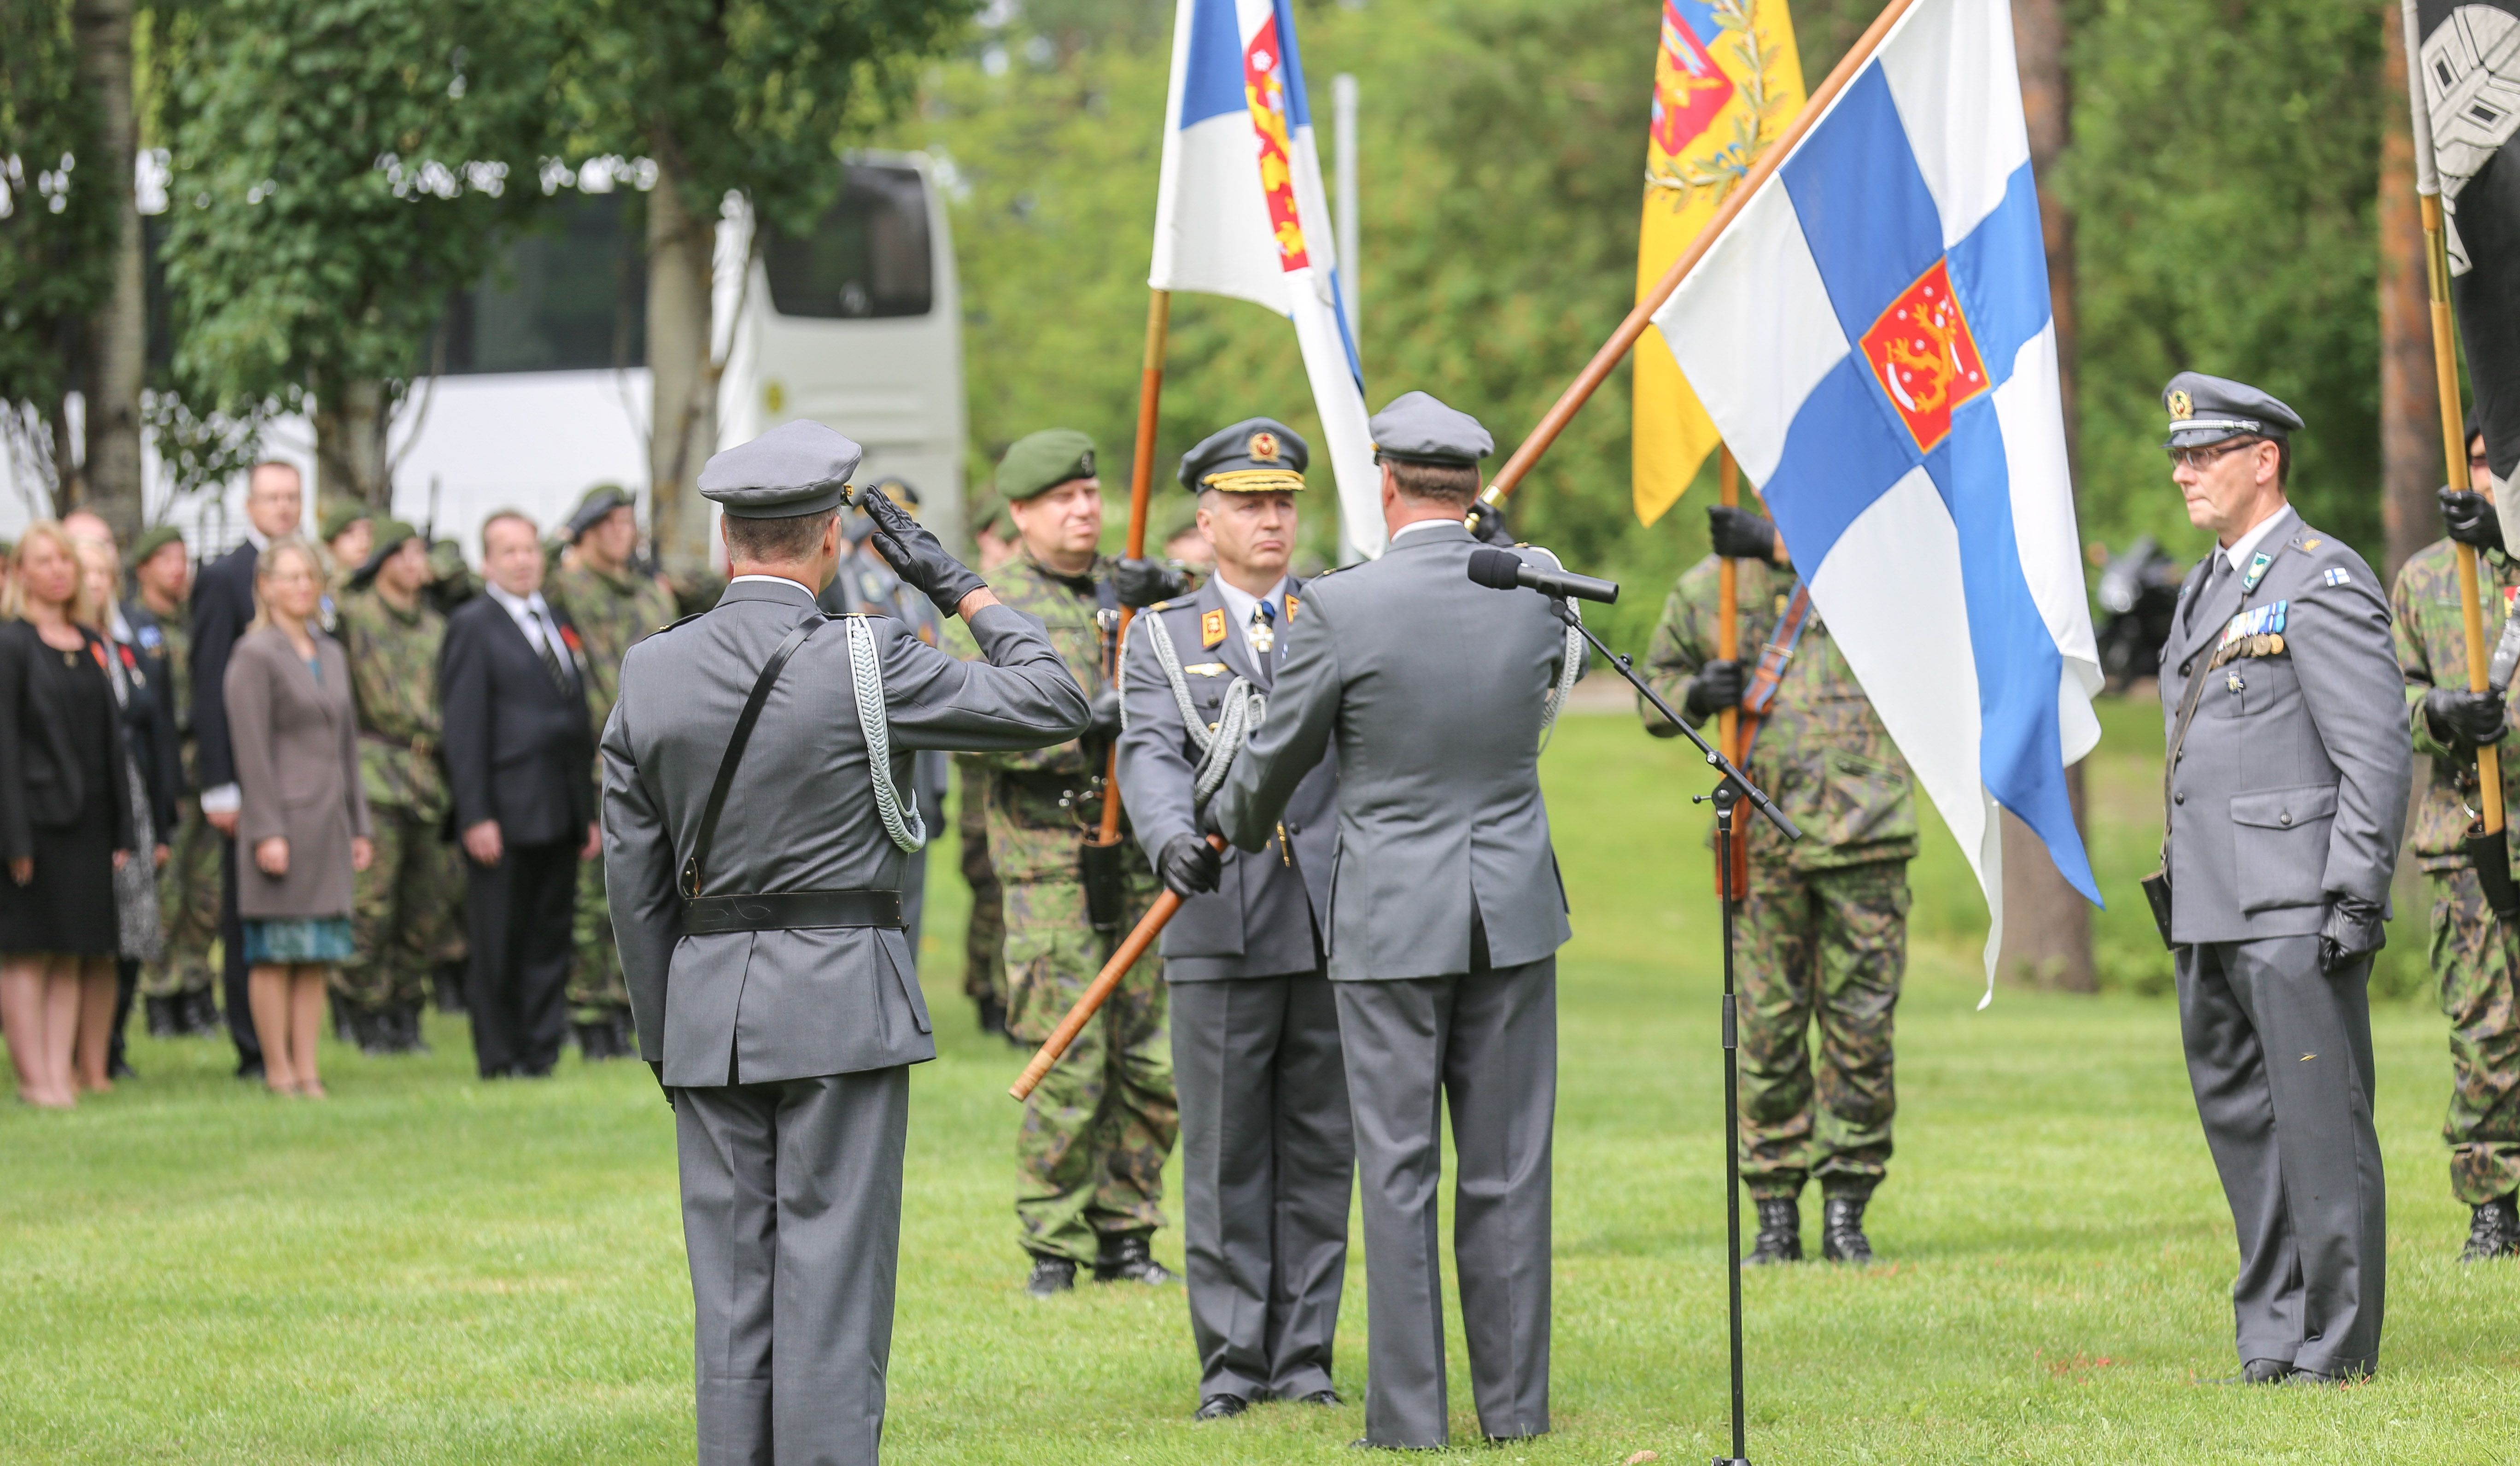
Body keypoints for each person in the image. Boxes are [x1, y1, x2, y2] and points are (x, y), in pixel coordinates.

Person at [605, 418, 1088, 1465]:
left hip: (708, 1013)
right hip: (838, 1006)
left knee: (733, 1290)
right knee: (831, 1282)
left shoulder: (649, 669)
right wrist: (959, 584)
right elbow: (1056, 697)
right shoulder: (868, 659)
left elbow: (632, 885)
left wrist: (666, 1033)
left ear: (730, 538)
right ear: (832, 539)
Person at [1207, 391, 1576, 1450]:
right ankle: (1512, 1409)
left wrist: (1226, 809)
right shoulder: (1537, 589)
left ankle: (1411, 1418)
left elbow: (1268, 770)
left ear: (1384, 481)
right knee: (1506, 1169)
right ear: (1474, 487)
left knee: (1399, 1173)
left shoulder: (1339, 607)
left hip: (1386, 917)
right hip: (1507, 907)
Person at [2153, 372, 2411, 1383]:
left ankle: (2336, 1340)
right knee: (2244, 1133)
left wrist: (2351, 893)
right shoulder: (2204, 586)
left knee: (2317, 1128)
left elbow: (2374, 754)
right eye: (2178, 455)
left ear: (2262, 460)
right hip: (2209, 904)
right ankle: (2270, 1333)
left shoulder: (2321, 579)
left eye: (2202, 453)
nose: (2183, 471)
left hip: (2294, 903)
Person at [1114, 418, 1351, 1419]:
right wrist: (1165, 834)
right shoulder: (1161, 638)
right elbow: (1148, 753)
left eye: (1283, 502)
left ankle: (1303, 1359)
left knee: (1318, 1151)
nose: (1269, 519)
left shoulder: (1341, 616)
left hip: (1332, 922)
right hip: (1218, 920)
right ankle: (1229, 1365)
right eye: (1248, 503)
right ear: (1203, 518)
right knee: (1220, 1156)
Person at [1636, 501, 1916, 1265]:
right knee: (1766, 1031)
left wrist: (1786, 546)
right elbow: (1650, 691)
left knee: (1863, 1032)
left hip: (1866, 832)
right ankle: (1773, 1211)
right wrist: (1698, 694)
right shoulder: (1710, 589)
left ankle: (1847, 1207)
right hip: (1761, 840)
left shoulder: (1868, 566)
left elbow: (1920, 590)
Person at [972, 428, 1180, 1296]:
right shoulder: (991, 607)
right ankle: (1053, 1243)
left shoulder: (1128, 592)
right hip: (1050, 863)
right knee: (1066, 1056)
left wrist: (1172, 591)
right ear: (1020, 514)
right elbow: (972, 726)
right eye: (1062, 498)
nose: (1084, 509)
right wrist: (1079, 724)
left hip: (1140, 859)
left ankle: (1128, 1235)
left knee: (1147, 1061)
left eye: (1092, 495)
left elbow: (1216, 657)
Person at [2392, 415, 2520, 1261]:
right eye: (2477, 463)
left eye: (2501, 468)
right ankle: (2492, 1201)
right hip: (2470, 833)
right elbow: (2385, 701)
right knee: (2484, 1022)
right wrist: (2437, 711)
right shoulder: (2427, 580)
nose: (2487, 479)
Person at [441, 510, 597, 1079]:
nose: (522, 559)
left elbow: (575, 719)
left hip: (558, 808)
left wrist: (587, 812)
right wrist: (475, 813)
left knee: (549, 933)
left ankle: (540, 1049)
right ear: (487, 562)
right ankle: (500, 1054)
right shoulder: (472, 624)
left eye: (529, 548)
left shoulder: (554, 618)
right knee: (499, 937)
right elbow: (462, 730)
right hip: (503, 814)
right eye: (508, 551)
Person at [225, 539, 373, 1098]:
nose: (300, 586)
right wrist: (266, 829)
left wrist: (360, 824)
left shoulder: (330, 652)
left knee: (316, 951)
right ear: (265, 585)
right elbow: (251, 748)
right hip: (282, 823)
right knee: (276, 950)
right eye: (287, 577)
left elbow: (347, 745)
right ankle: (277, 1069)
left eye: (308, 576)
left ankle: (307, 1068)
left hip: (329, 823)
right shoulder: (253, 653)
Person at [0, 523, 137, 1108]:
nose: (58, 569)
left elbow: (113, 744)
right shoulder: (11, 643)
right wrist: (13, 835)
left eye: (64, 559)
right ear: (20, 572)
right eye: (44, 560)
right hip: (32, 820)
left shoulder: (88, 641)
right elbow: (4, 744)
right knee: (28, 950)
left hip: (89, 822)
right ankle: (35, 1079)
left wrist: (123, 827)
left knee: (74, 949)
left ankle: (62, 1075)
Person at [543, 484, 677, 1059]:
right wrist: (562, 541)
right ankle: (590, 1009)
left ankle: (631, 1006)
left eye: (629, 522)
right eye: (611, 524)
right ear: (589, 530)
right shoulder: (568, 586)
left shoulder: (652, 592)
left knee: (657, 887)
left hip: (661, 756)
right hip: (601, 757)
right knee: (599, 896)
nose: (624, 533)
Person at [195, 460, 307, 1080]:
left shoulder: (309, 573)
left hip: (303, 781)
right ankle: (252, 1045)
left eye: (293, 497)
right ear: (249, 505)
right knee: (249, 914)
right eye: (272, 498)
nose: (284, 508)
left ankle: (292, 1045)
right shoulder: (224, 577)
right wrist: (221, 783)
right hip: (247, 777)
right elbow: (210, 685)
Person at [334, 521, 462, 1056]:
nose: (417, 562)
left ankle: (407, 1008)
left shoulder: (437, 625)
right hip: (374, 770)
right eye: (404, 553)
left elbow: (464, 578)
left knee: (426, 905)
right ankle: (362, 1009)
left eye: (420, 553)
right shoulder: (354, 615)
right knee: (372, 903)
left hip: (427, 774)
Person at [819, 480, 953, 974]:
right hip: (865, 760)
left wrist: (936, 787)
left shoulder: (913, 593)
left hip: (913, 762)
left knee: (911, 892)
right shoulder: (844, 582)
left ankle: (905, 985)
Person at [76, 533, 175, 1082]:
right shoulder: (56, 646)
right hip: (80, 802)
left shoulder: (131, 646)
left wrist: (163, 820)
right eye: (84, 572)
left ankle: (111, 1044)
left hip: (134, 802)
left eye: (103, 574)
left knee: (133, 931)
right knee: (84, 934)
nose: (95, 584)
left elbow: (158, 732)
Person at [128, 526, 222, 1038]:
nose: (177, 569)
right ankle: (161, 993)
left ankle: (196, 985)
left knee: (206, 890)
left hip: (205, 770)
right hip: (167, 773)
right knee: (166, 891)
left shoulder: (196, 623)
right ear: (142, 567)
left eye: (183, 559)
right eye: (165, 559)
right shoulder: (136, 625)